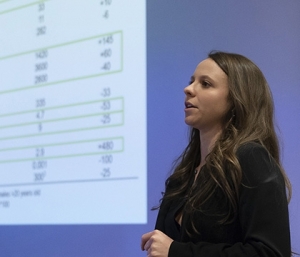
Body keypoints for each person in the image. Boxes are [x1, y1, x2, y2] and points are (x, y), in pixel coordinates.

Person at [141, 51, 292, 257]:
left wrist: (177, 251)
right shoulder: (182, 176)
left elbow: (269, 252)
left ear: (237, 99)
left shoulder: (252, 160)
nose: (188, 89)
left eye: (205, 84)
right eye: (191, 81)